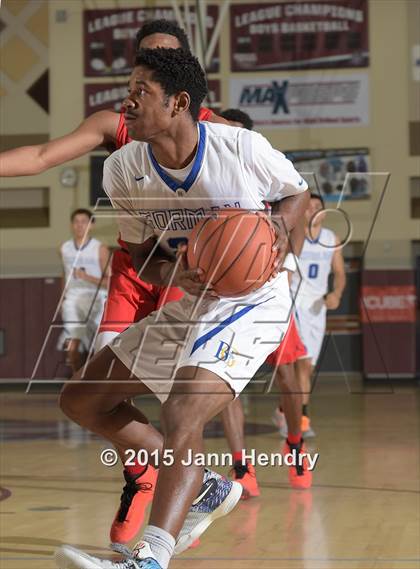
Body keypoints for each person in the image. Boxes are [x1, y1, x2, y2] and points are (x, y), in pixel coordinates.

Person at [55, 47, 309, 569]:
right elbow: (143, 259)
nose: (126, 102)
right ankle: (205, 487)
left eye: (140, 92)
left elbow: (296, 193)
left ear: (179, 103)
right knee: (81, 400)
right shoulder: (124, 169)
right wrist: (174, 274)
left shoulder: (241, 148)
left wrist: (279, 230)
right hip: (196, 294)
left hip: (254, 299)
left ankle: (149, 558)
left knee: (183, 409)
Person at [219, 109, 312, 491]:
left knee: (287, 377)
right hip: (223, 291)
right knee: (222, 383)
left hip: (268, 286)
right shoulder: (212, 178)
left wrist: (286, 262)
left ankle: (294, 444)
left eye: (238, 133)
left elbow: (299, 214)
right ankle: (241, 468)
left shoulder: (266, 169)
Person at [291, 193, 346, 436]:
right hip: (296, 304)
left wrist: (337, 293)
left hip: (317, 307)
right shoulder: (295, 237)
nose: (313, 210)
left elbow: (340, 273)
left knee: (308, 368)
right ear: (302, 211)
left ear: (324, 213)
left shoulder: (331, 239)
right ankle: (302, 420)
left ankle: (285, 411)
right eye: (309, 206)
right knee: (302, 365)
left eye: (318, 207)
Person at [58, 209, 110, 372]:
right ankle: (77, 382)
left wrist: (87, 277)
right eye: (76, 222)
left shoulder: (100, 249)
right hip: (73, 299)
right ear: (71, 225)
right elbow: (64, 274)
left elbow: (110, 282)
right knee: (72, 345)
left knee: (100, 344)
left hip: (97, 298)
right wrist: (63, 298)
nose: (80, 225)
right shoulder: (64, 248)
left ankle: (99, 381)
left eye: (84, 221)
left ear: (91, 225)